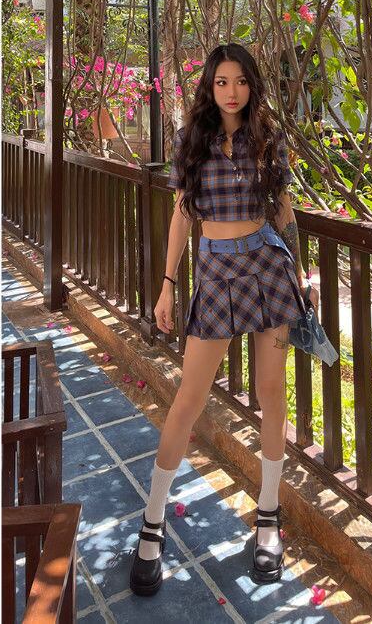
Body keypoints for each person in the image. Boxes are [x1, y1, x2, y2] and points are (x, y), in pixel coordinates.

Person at [129, 43, 320, 596]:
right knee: (189, 397)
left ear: (251, 85)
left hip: (267, 268)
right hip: (215, 273)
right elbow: (181, 216)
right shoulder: (192, 139)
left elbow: (281, 208)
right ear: (209, 87)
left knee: (271, 394)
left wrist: (300, 271)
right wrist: (167, 285)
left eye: (240, 81)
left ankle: (268, 518)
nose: (231, 91)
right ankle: (153, 523)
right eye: (221, 82)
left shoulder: (268, 138)